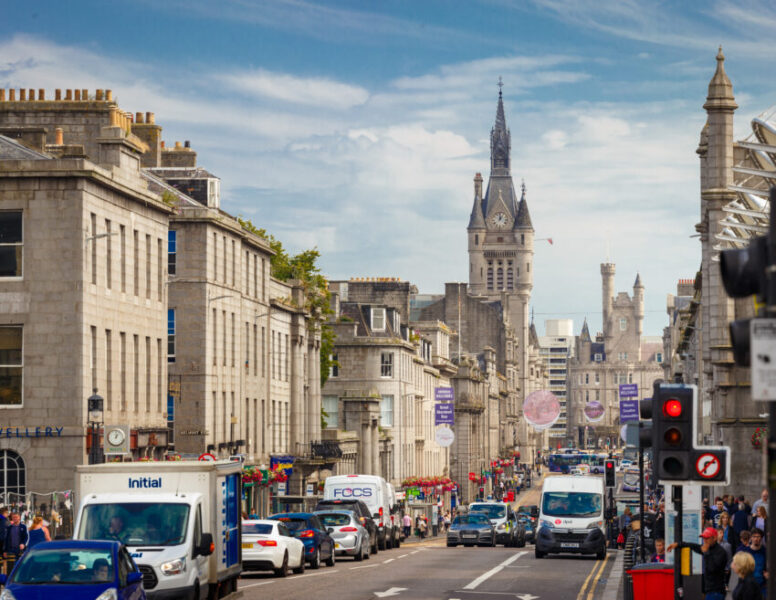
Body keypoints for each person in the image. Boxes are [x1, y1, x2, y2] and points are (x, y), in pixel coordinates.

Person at [667, 526, 728, 600]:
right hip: (709, 590)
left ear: (714, 538)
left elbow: (712, 568)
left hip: (716, 591)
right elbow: (694, 546)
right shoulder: (708, 548)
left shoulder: (720, 552)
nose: (705, 540)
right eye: (704, 538)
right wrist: (678, 544)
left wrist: (706, 553)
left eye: (707, 538)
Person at [743, 528, 767, 598]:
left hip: (762, 586)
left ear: (761, 538)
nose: (756, 539)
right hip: (748, 586)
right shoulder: (746, 551)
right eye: (754, 536)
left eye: (758, 537)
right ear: (751, 538)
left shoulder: (765, 551)